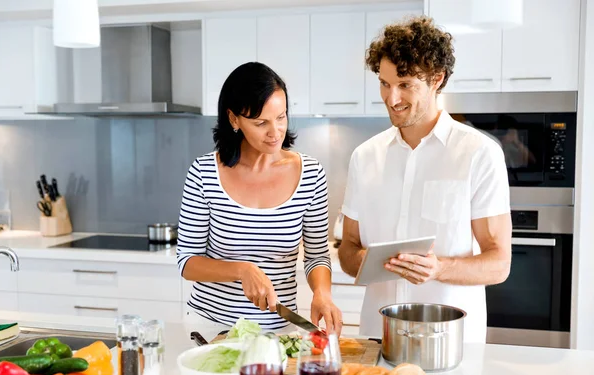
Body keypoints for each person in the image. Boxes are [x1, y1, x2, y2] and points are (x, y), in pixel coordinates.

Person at [338, 16, 512, 342]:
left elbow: (499, 262)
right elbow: (348, 248)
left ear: (436, 79)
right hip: (378, 337)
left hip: (451, 340)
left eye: (405, 84)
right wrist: (368, 261)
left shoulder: (479, 153)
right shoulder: (365, 156)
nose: (392, 98)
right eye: (384, 83)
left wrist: (439, 268)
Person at [177, 62, 342, 335]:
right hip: (210, 326)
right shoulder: (204, 173)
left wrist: (322, 293)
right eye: (260, 122)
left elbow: (316, 256)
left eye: (281, 117)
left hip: (279, 330)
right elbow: (187, 262)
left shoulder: (310, 174)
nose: (275, 132)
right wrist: (242, 270)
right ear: (234, 119)